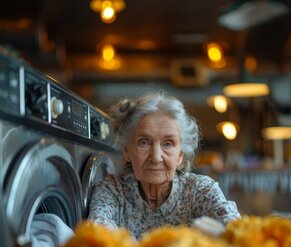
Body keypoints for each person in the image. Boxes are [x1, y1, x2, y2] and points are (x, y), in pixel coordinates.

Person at [87, 91, 240, 239]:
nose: (155, 157)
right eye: (144, 142)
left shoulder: (199, 190)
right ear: (127, 150)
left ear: (180, 155)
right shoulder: (112, 191)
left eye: (168, 143)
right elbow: (98, 230)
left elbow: (235, 227)